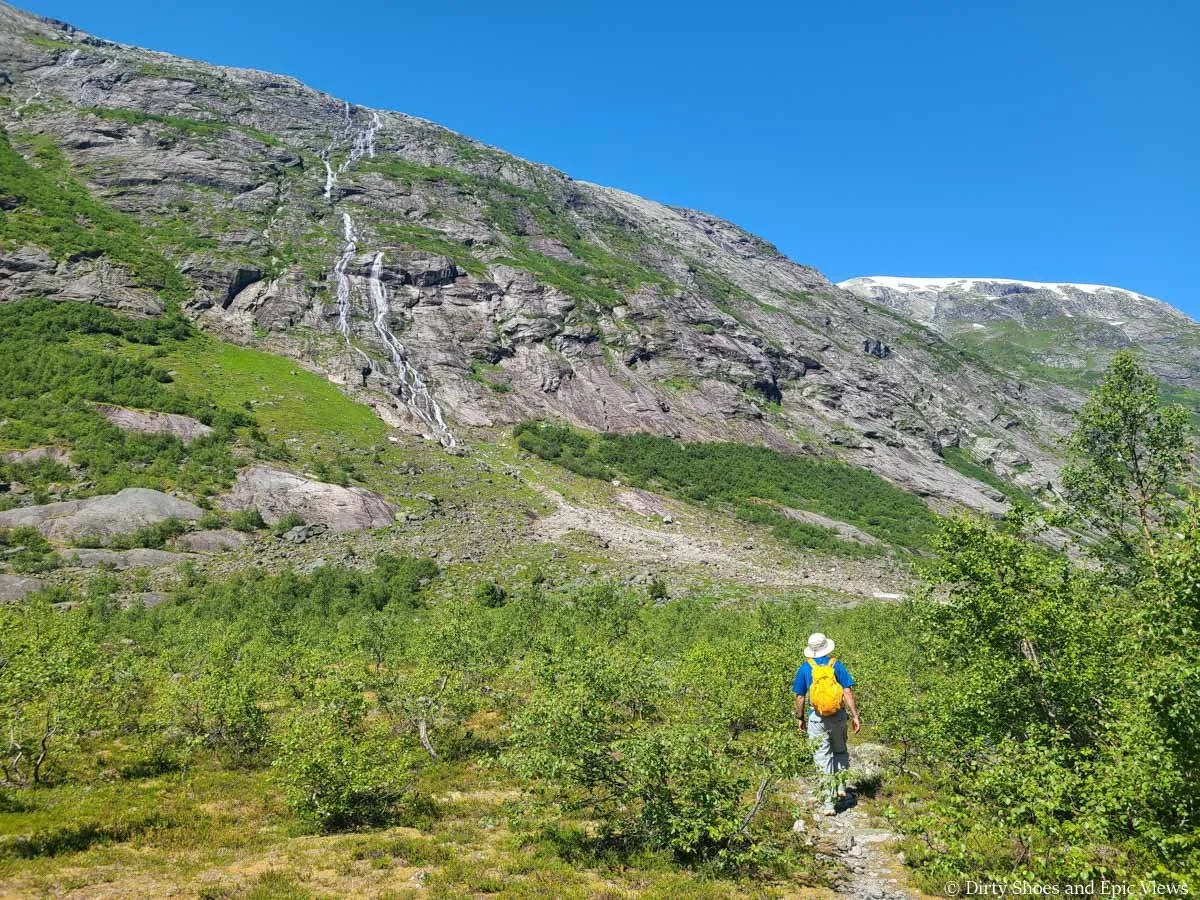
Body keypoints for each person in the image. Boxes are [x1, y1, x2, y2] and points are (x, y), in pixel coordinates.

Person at [793, 632, 861, 816]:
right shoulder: (836, 665)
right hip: (838, 716)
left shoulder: (806, 668)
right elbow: (847, 691)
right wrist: (854, 716)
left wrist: (800, 718)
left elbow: (800, 696)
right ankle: (840, 786)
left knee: (823, 758)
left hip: (816, 718)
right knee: (840, 750)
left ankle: (828, 804)